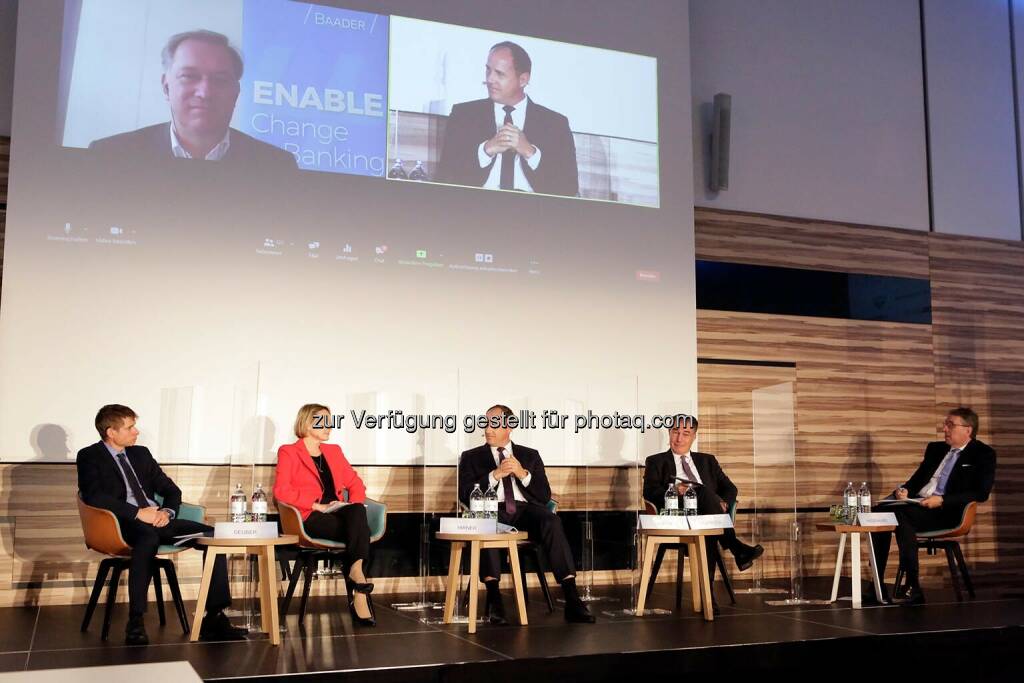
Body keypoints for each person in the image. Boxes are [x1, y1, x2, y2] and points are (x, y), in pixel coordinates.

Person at [76, 404, 246, 645]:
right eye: (130, 427)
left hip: (159, 520)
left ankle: (215, 617)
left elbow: (170, 489)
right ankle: (135, 620)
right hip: (121, 524)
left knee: (214, 536)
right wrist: (138, 513)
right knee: (148, 538)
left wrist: (166, 512)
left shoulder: (141, 453)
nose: (136, 432)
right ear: (111, 432)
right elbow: (93, 496)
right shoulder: (89, 455)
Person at [458, 404, 595, 624]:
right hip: (492, 509)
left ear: (510, 426)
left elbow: (543, 496)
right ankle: (494, 600)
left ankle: (572, 597)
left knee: (551, 520)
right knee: (486, 524)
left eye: (494, 423)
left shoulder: (530, 455)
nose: (488, 429)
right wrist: (495, 475)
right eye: (486, 423)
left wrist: (522, 474)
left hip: (525, 511)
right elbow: (465, 495)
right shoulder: (471, 457)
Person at [89, 29, 296, 168]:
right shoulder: (109, 155)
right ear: (166, 86)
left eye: (220, 79)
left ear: (236, 93)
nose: (205, 92)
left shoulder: (278, 165)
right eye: (189, 76)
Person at [872, 407, 996, 606]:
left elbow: (980, 493)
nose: (944, 429)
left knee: (902, 516)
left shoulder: (983, 454)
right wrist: (903, 491)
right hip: (917, 506)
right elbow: (915, 481)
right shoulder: (936, 449)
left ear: (968, 430)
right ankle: (876, 586)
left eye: (950, 425)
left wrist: (943, 500)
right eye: (945, 424)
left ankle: (912, 585)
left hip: (946, 512)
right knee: (878, 512)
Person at [642, 414, 764, 608]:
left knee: (707, 523)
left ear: (694, 437)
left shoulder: (707, 460)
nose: (679, 438)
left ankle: (710, 599)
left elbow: (730, 488)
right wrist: (674, 490)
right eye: (675, 432)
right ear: (669, 433)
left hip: (706, 517)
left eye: (686, 433)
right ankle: (735, 547)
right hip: (677, 514)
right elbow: (649, 491)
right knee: (701, 493)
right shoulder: (656, 461)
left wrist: (722, 501)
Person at [273, 404, 376, 626]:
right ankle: (358, 585)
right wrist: (314, 505)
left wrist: (348, 505)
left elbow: (355, 483)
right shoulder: (289, 451)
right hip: (308, 516)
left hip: (336, 513)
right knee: (361, 531)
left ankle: (356, 573)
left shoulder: (334, 451)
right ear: (307, 423)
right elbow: (282, 490)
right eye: (323, 422)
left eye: (331, 421)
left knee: (357, 509)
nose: (329, 427)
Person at [435, 41, 578, 197]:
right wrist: (486, 150)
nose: (490, 79)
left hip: (533, 214)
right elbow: (445, 178)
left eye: (499, 74)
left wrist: (530, 152)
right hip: (477, 211)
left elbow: (568, 188)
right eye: (488, 70)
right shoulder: (463, 115)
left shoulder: (555, 124)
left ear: (523, 80)